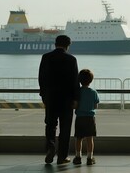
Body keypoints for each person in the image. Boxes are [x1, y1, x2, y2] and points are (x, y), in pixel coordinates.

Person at [38, 35, 79, 165]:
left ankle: (51, 147)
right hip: (66, 100)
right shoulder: (71, 59)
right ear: (68, 45)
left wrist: (44, 96)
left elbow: (41, 79)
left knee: (50, 125)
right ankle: (62, 157)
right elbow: (75, 81)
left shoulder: (46, 57)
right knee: (65, 128)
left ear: (55, 44)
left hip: (50, 98)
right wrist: (76, 99)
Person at [72, 69, 100, 166]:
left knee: (78, 138)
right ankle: (89, 157)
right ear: (91, 80)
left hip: (79, 118)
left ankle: (78, 157)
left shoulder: (78, 92)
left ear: (79, 80)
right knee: (89, 138)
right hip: (90, 118)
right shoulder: (93, 92)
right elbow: (96, 106)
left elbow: (75, 105)